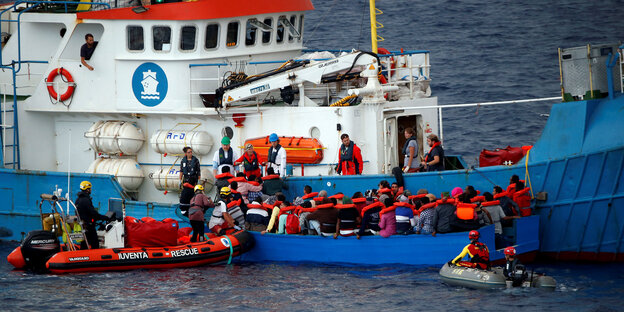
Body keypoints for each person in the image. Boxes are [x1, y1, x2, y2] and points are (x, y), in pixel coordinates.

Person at [75, 181, 108, 249]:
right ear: (87, 189)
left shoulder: (78, 199)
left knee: (84, 242)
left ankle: (83, 255)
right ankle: (95, 257)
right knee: (95, 243)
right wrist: (105, 218)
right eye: (90, 188)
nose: (91, 190)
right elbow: (93, 213)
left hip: (83, 224)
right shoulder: (86, 200)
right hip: (88, 225)